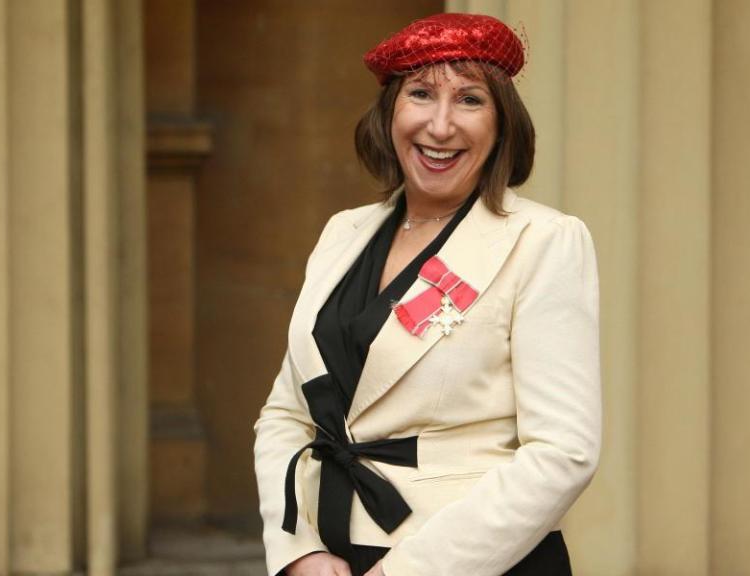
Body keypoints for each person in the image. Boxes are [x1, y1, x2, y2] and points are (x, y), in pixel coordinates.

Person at [253, 12, 601, 576]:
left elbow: (563, 453)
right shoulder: (345, 232)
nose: (440, 127)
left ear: (502, 124)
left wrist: (407, 572)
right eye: (420, 94)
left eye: (469, 100)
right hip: (333, 558)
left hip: (470, 562)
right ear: (391, 112)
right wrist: (298, 550)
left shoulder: (544, 242)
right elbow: (286, 413)